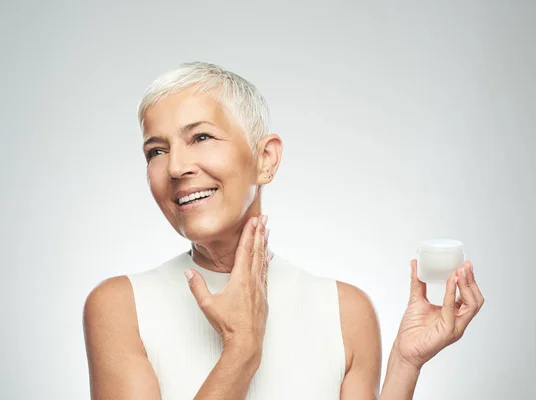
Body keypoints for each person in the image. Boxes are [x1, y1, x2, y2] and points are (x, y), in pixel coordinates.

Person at [82, 62, 484, 399]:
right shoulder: (119, 307)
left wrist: (405, 364)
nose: (175, 167)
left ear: (265, 159)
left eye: (200, 137)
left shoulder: (345, 311)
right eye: (157, 150)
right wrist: (242, 350)